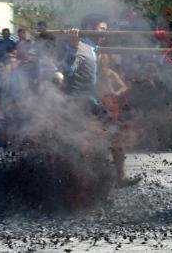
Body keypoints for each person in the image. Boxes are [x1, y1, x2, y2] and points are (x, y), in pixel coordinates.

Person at [60, 14, 139, 187]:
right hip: (78, 100)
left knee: (114, 134)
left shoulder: (94, 47)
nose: (105, 32)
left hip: (91, 99)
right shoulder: (80, 46)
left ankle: (118, 177)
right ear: (89, 27)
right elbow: (67, 70)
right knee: (84, 140)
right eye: (101, 28)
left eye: (105, 29)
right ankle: (86, 180)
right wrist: (73, 46)